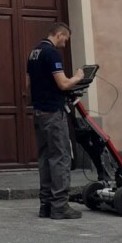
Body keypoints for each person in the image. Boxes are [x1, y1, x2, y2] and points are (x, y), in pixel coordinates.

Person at [26, 22, 85, 220]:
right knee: (60, 158)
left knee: (44, 158)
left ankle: (46, 205)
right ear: (59, 34)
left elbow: (27, 84)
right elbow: (63, 83)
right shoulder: (51, 54)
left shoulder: (33, 53)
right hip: (53, 113)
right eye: (65, 39)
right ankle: (60, 205)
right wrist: (77, 77)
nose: (65, 44)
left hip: (39, 112)